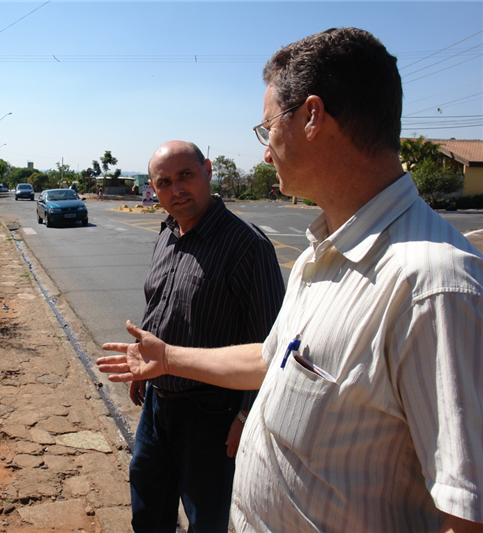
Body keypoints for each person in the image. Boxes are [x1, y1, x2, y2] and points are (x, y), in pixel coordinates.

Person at [97, 28, 483, 533]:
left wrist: (235, 416)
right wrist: (166, 358)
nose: (264, 152)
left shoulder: (434, 285)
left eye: (266, 128)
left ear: (312, 117)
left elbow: (464, 511)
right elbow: (269, 358)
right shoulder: (320, 253)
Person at [126, 140, 284, 532]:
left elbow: (271, 344)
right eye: (164, 182)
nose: (176, 189)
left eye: (185, 176)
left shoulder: (247, 246)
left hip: (213, 414)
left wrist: (248, 414)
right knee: (148, 506)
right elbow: (160, 305)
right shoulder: (167, 233)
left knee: (207, 519)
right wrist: (142, 363)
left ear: (208, 171)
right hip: (157, 406)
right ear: (153, 188)